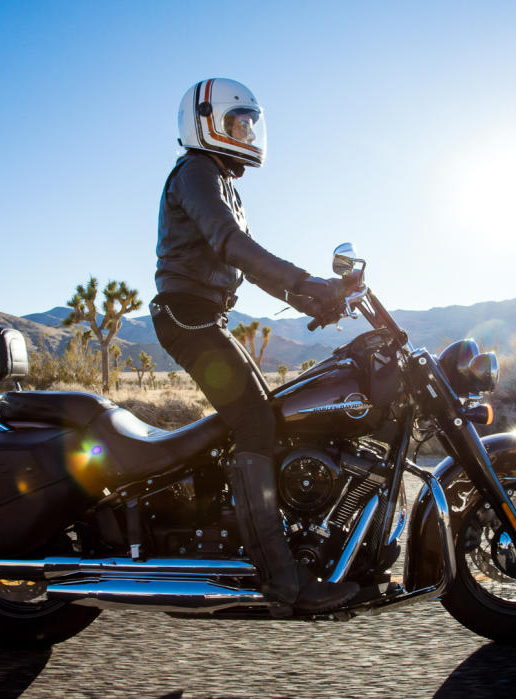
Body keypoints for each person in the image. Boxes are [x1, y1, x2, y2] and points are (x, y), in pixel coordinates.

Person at [150, 78, 358, 615]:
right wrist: (303, 285)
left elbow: (238, 254)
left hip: (202, 317)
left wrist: (317, 297)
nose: (246, 131)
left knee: (270, 416)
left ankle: (267, 540)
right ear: (207, 122)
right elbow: (231, 244)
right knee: (256, 423)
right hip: (187, 318)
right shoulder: (196, 172)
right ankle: (282, 579)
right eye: (237, 122)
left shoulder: (219, 180)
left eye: (248, 123)